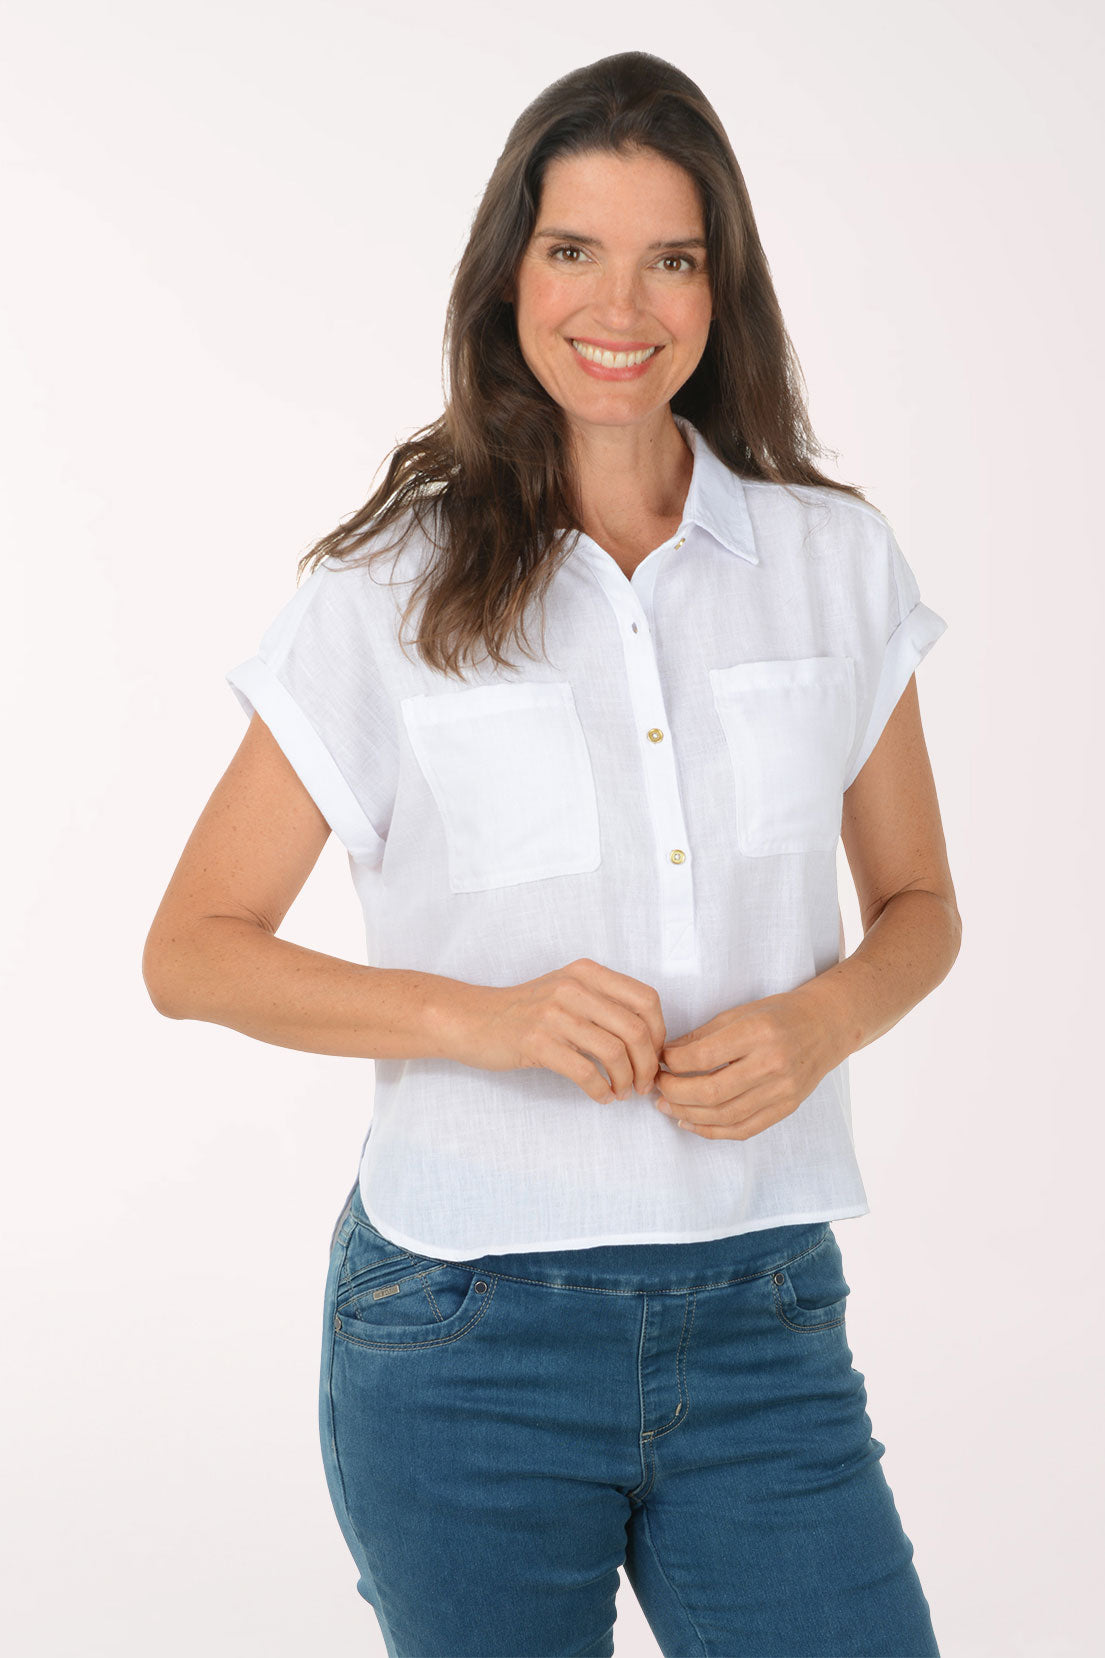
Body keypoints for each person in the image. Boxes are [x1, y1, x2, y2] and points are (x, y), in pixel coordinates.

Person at [143, 49, 958, 1658]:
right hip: (466, 1333)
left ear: (720, 286)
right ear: (508, 270)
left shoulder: (831, 560)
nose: (623, 304)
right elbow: (194, 947)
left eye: (672, 257)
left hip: (763, 1315)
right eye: (573, 249)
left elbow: (920, 908)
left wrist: (821, 1020)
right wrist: (487, 1017)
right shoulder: (383, 589)